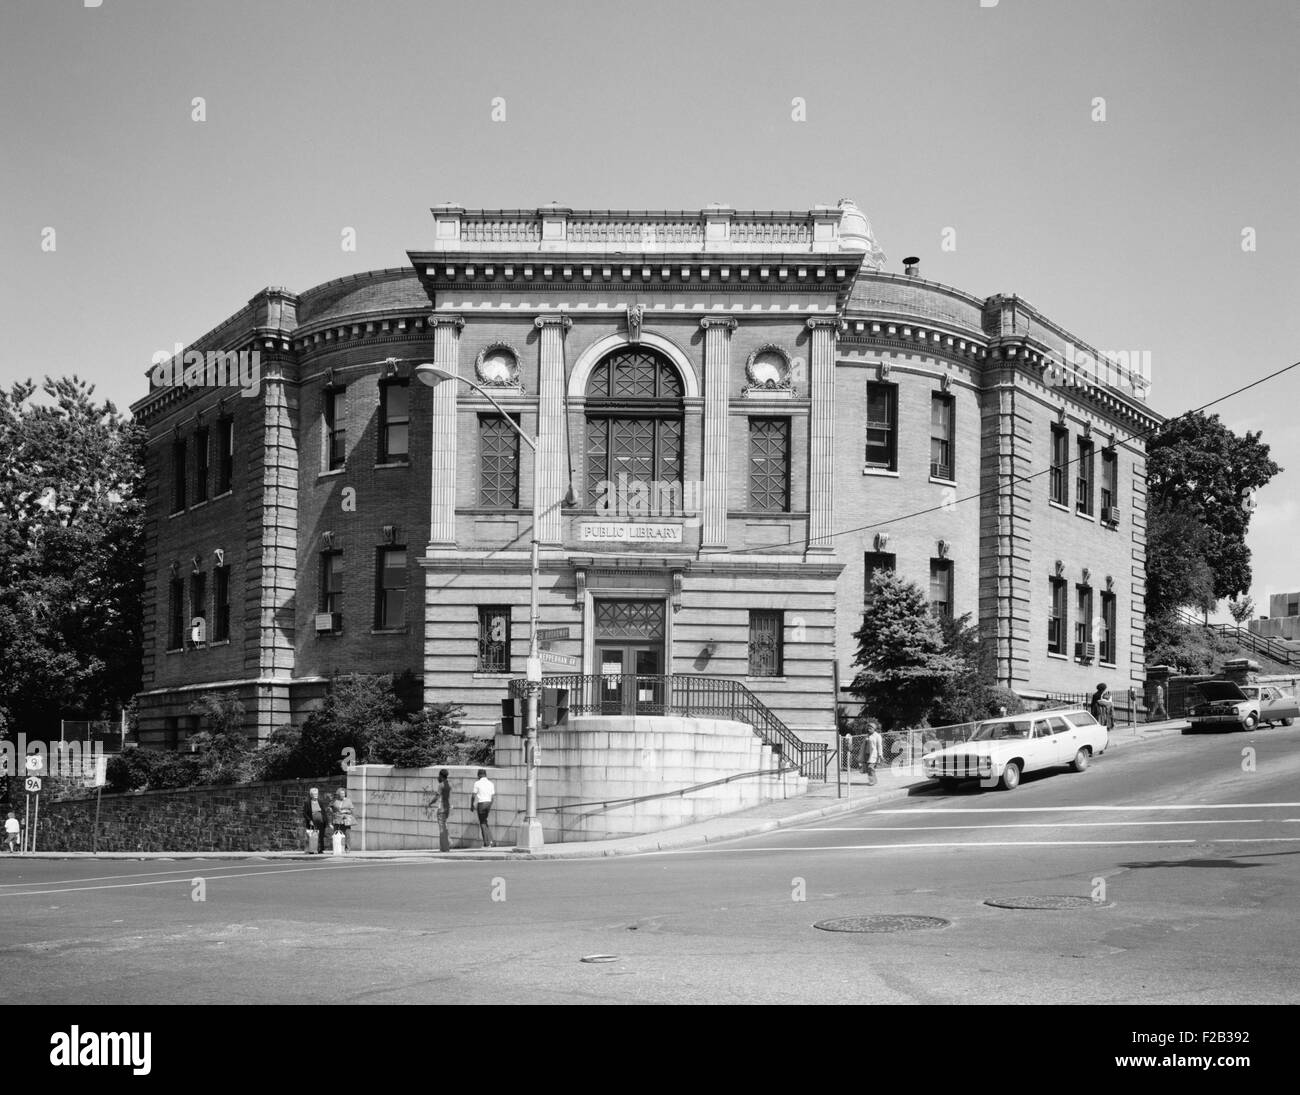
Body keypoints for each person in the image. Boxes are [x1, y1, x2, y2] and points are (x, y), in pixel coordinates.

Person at [471, 769, 496, 848]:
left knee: (482, 823)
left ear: (479, 775)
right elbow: (492, 797)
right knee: (485, 822)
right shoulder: (491, 783)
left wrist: (471, 805)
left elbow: (473, 795)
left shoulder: (477, 783)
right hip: (488, 803)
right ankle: (491, 841)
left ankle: (486, 843)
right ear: (485, 775)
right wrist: (490, 805)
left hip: (481, 803)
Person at [302, 786, 330, 854]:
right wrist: (309, 820)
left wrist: (326, 822)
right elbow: (305, 813)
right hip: (312, 821)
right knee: (313, 836)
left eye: (317, 794)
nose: (316, 795)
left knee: (321, 835)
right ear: (311, 795)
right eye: (314, 794)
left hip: (321, 821)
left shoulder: (320, 801)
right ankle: (312, 849)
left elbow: (323, 812)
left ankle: (320, 849)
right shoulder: (307, 802)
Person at [430, 769, 452, 852]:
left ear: (441, 776)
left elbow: (436, 797)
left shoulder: (441, 785)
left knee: (442, 828)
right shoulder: (449, 785)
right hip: (447, 808)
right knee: (445, 826)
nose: (438, 777)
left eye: (439, 775)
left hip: (441, 808)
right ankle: (448, 842)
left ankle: (444, 847)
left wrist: (430, 803)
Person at [330, 787, 355, 852]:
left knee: (347, 834)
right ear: (338, 794)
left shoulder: (348, 800)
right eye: (341, 794)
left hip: (345, 820)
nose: (342, 795)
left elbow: (351, 811)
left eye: (343, 793)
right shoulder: (335, 801)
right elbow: (330, 808)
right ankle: (338, 848)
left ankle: (347, 848)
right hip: (337, 819)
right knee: (337, 834)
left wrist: (344, 811)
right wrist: (332, 812)